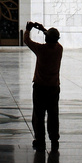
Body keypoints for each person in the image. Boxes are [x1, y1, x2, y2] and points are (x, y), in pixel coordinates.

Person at [24, 20, 62, 151]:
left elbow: (27, 41)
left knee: (39, 115)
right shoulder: (59, 49)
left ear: (46, 38)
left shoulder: (41, 49)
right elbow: (53, 39)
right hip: (54, 87)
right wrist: (43, 29)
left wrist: (29, 29)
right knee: (53, 114)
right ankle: (54, 138)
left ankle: (40, 139)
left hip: (40, 87)